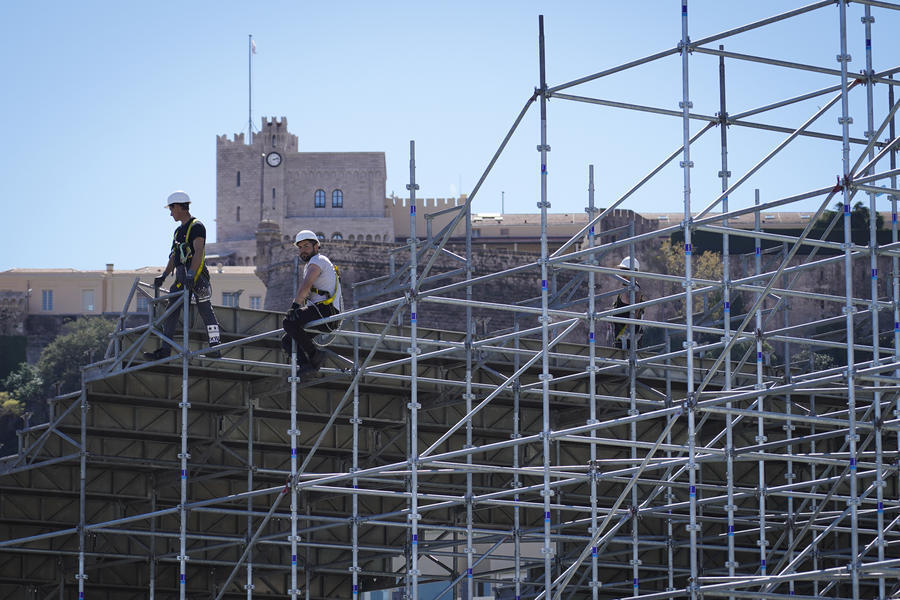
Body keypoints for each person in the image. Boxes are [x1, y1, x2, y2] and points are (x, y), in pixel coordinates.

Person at [144, 191, 221, 360]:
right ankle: (165, 350)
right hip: (181, 276)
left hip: (197, 276)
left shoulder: (196, 226)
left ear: (178, 207)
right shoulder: (178, 232)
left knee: (206, 310)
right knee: (171, 310)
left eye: (171, 209)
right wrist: (164, 275)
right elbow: (174, 256)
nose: (171, 213)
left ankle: (215, 347)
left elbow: (198, 252)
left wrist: (192, 274)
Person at [281, 229, 342, 375]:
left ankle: (315, 354)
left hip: (325, 311)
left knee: (288, 322)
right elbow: (307, 292)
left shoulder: (317, 261)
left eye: (306, 246)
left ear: (316, 246)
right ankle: (307, 366)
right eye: (300, 247)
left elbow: (306, 285)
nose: (303, 250)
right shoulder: (313, 264)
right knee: (287, 340)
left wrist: (294, 307)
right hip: (322, 312)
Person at [612, 256, 644, 351]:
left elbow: (635, 312)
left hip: (627, 342)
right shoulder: (627, 289)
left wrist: (627, 334)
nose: (622, 274)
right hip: (622, 339)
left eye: (625, 271)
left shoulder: (634, 290)